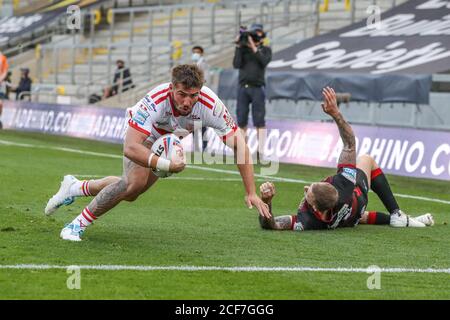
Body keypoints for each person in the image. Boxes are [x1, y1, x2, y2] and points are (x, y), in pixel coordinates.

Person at [45, 64, 270, 241]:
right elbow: (131, 147)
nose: (187, 101)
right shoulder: (155, 100)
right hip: (145, 136)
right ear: (172, 88)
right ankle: (77, 224)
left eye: (193, 96)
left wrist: (250, 192)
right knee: (131, 184)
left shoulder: (210, 104)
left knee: (133, 193)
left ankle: (75, 187)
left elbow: (240, 146)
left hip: (168, 140)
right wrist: (166, 165)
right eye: (182, 94)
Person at [258, 87, 435, 232]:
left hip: (350, 217)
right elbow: (350, 143)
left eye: (308, 192)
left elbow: (271, 225)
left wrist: (267, 203)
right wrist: (336, 114)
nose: (305, 188)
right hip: (356, 203)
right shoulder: (343, 184)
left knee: (358, 217)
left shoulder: (309, 221)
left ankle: (402, 218)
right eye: (310, 190)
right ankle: (397, 214)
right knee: (366, 160)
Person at [233, 23, 272, 162]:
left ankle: (260, 152)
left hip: (257, 88)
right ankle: (243, 151)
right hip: (243, 88)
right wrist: (239, 45)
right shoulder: (243, 51)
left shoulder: (265, 50)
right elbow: (236, 64)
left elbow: (263, 61)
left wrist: (254, 47)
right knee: (241, 120)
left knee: (259, 120)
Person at [191, 45, 210, 151]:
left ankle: (205, 145)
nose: (195, 54)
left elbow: (205, 80)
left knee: (203, 123)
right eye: (194, 52)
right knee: (193, 122)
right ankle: (196, 145)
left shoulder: (204, 65)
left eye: (197, 52)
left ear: (201, 53)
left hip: (202, 96)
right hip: (193, 96)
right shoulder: (193, 65)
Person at [0, 51, 9, 129]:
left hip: (0, 85)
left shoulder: (2, 58)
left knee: (0, 103)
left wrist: (0, 79)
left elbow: (5, 72)